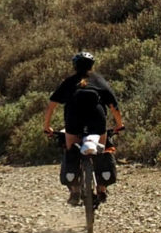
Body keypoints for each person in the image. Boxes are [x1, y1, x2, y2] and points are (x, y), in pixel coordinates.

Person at [43, 51, 123, 205]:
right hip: (97, 122)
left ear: (75, 66)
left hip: (73, 122)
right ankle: (101, 189)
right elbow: (114, 107)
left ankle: (74, 190)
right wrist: (119, 125)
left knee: (71, 151)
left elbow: (51, 107)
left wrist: (47, 127)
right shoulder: (99, 81)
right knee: (103, 149)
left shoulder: (69, 82)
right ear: (92, 66)